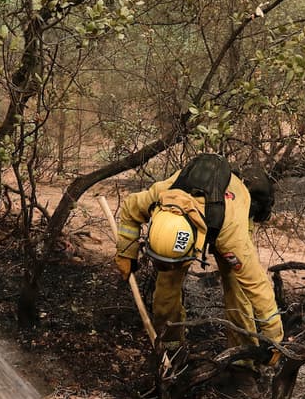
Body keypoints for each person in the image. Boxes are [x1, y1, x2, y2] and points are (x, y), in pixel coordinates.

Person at [112, 154, 283, 380]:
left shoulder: (232, 237)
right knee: (165, 289)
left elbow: (258, 288)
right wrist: (126, 252)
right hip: (203, 215)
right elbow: (130, 209)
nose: (165, 266)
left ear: (195, 244)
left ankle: (244, 360)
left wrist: (274, 341)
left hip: (231, 208)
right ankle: (172, 347)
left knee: (237, 288)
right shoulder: (159, 195)